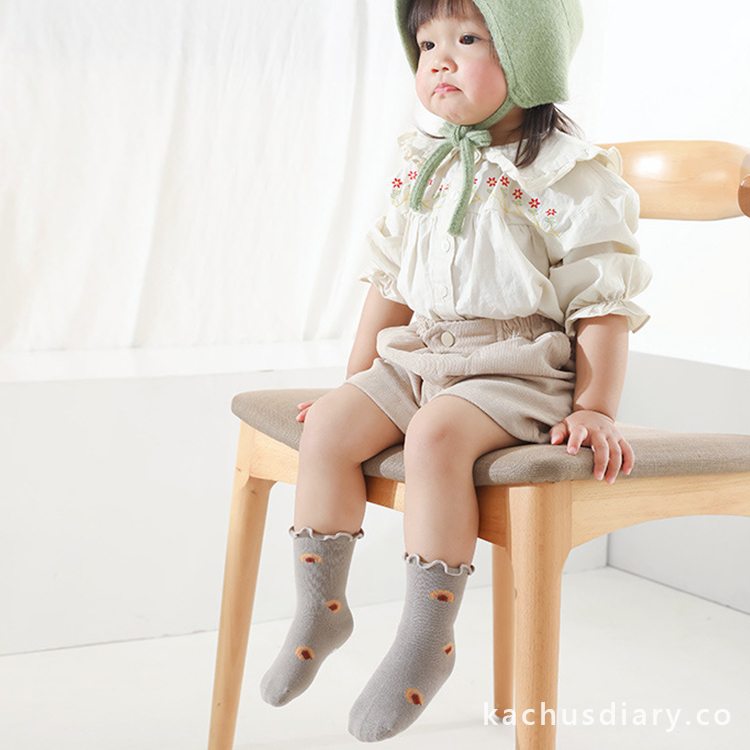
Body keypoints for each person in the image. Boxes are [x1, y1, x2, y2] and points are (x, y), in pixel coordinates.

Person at [260, 0, 652, 741]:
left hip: (516, 366)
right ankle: (320, 608)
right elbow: (390, 285)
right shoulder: (426, 163)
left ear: (529, 57)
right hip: (424, 352)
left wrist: (596, 405)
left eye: (467, 38)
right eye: (427, 41)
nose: (438, 58)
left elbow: (601, 301)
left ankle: (427, 636)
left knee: (437, 434)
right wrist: (356, 380)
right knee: (332, 425)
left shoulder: (567, 173)